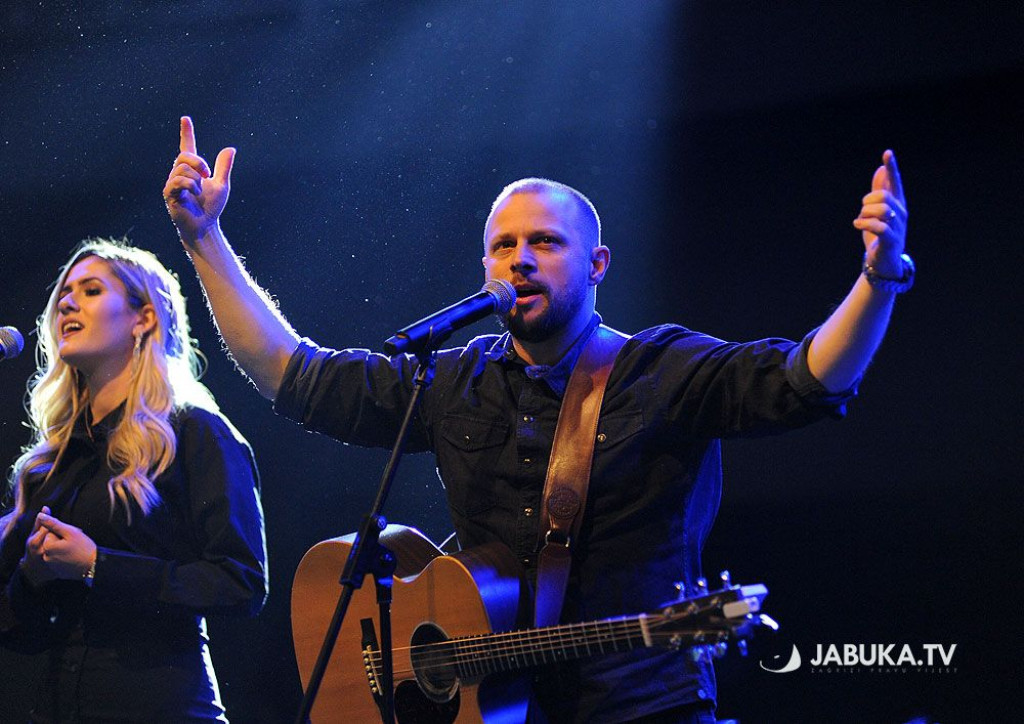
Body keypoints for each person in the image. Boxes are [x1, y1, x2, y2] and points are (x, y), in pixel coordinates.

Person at [163, 117, 910, 723]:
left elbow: (805, 380)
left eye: (544, 242)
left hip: (644, 703)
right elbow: (294, 375)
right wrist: (204, 241)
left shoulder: (663, 368)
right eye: (503, 245)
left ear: (597, 265)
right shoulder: (453, 376)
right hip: (494, 711)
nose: (520, 259)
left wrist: (877, 280)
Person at [0, 238, 268, 723]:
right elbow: (22, 634)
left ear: (143, 318)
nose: (66, 302)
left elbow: (241, 583)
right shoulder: (51, 465)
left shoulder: (196, 434)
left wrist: (97, 565)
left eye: (91, 290)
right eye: (65, 293)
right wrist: (33, 580)